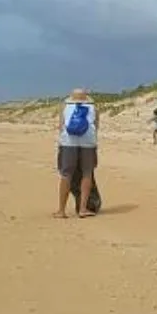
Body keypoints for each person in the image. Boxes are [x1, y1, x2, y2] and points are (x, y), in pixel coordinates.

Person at [54, 88, 99, 218]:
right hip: (88, 142)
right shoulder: (94, 108)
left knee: (66, 174)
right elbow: (96, 127)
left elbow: (61, 126)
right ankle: (83, 209)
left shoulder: (65, 107)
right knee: (87, 173)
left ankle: (61, 210)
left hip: (68, 142)